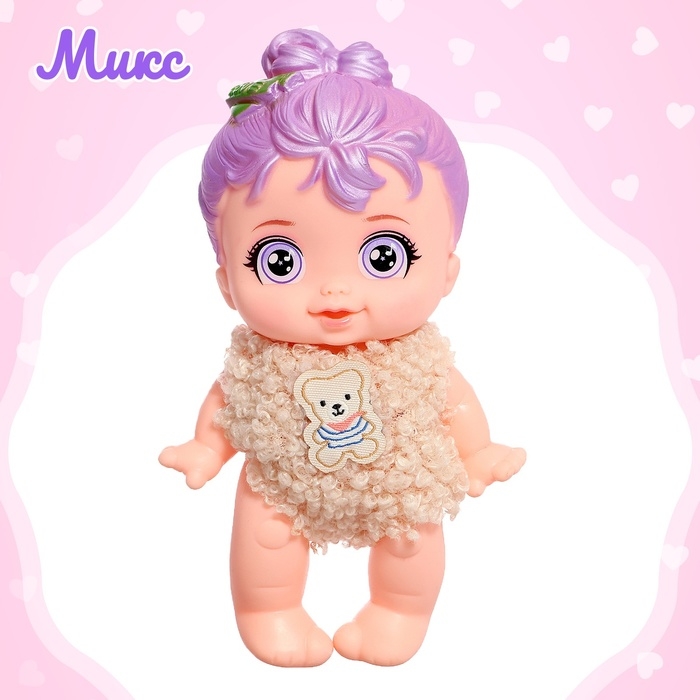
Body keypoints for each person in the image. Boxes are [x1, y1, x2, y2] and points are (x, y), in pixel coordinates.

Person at [159, 28, 525, 667]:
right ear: (226, 281)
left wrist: (477, 449)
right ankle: (268, 609)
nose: (334, 291)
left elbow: (454, 399)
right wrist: (206, 445)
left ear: (446, 270)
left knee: (413, 539)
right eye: (280, 260)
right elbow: (231, 402)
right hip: (284, 479)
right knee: (265, 533)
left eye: (383, 255)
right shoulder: (258, 361)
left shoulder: (417, 359)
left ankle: (398, 611)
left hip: (401, 479)